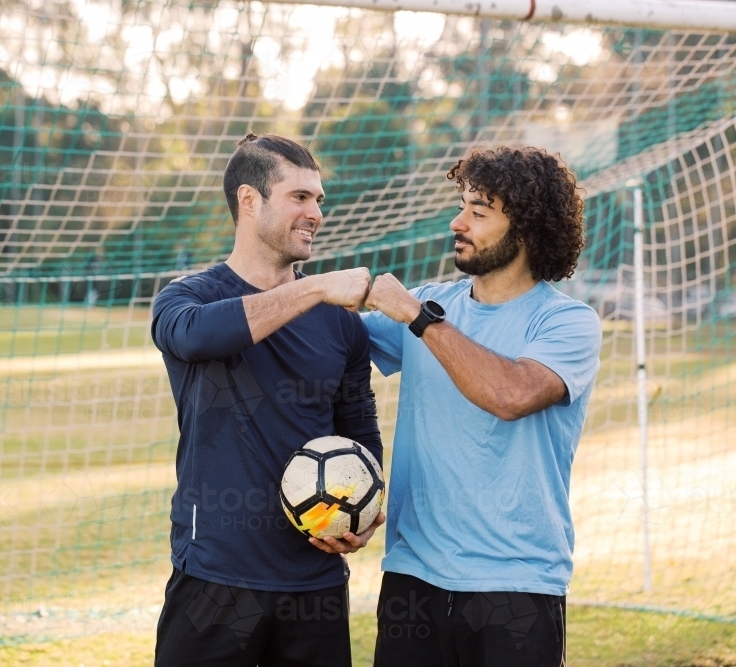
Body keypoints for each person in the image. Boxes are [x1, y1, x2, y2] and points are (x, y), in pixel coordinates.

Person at [151, 133, 385, 667]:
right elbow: (195, 338)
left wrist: (366, 510)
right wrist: (314, 289)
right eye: (299, 197)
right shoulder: (187, 298)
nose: (316, 213)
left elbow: (358, 429)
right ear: (249, 201)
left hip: (315, 582)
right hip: (213, 578)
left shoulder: (340, 324)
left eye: (319, 199)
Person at [362, 146, 602, 667]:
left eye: (478, 211)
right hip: (411, 579)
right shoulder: (430, 300)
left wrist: (418, 319)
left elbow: (511, 394)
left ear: (527, 228)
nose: (458, 221)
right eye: (461, 206)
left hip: (516, 588)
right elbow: (324, 348)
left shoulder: (567, 323)